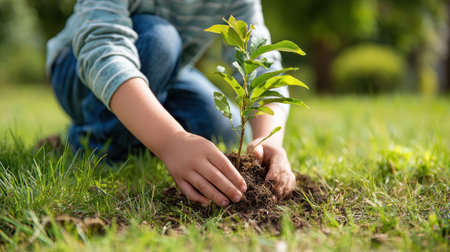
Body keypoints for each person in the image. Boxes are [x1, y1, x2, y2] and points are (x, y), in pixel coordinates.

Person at [47, 0, 296, 207]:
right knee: (161, 41)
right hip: (82, 69)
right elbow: (102, 47)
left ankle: (136, 133)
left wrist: (268, 139)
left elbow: (258, 55)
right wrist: (171, 141)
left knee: (223, 127)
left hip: (170, 74)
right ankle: (92, 140)